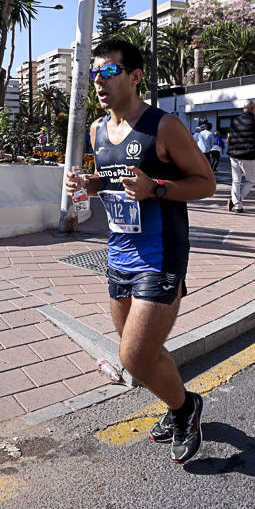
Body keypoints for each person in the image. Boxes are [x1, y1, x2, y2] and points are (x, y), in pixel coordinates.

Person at [64, 38, 216, 464]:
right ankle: (177, 403)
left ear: (134, 77)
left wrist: (158, 188)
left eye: (108, 71)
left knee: (133, 356)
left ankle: (186, 410)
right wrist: (91, 185)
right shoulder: (97, 130)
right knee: (142, 351)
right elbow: (112, 180)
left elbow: (206, 182)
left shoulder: (163, 127)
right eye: (94, 72)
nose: (98, 80)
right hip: (118, 255)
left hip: (161, 253)